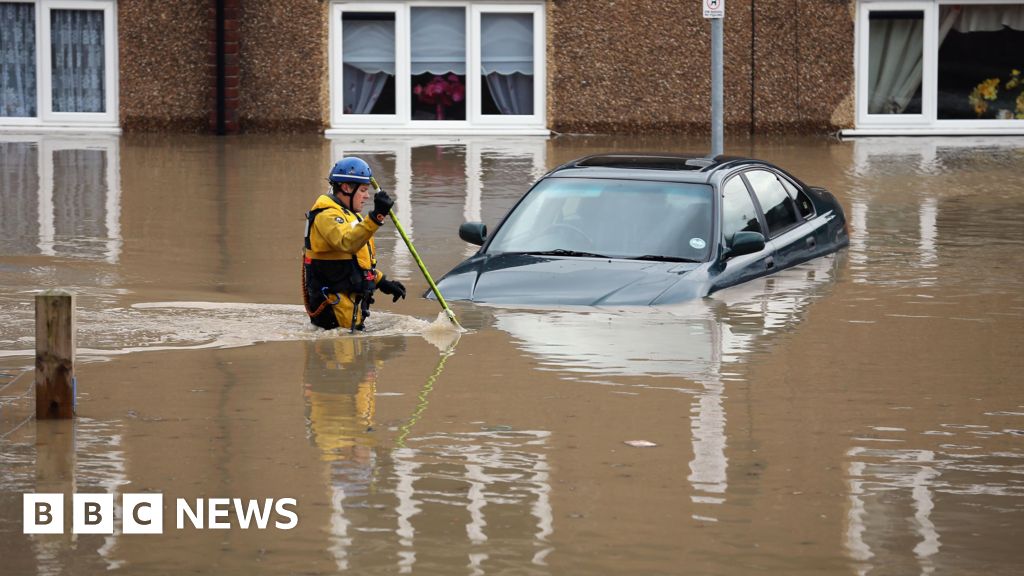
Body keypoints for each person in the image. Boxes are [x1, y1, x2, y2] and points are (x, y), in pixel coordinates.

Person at [303, 157, 406, 330]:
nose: (367, 196)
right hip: (334, 310)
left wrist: (381, 281)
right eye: (363, 190)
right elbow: (347, 243)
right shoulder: (326, 216)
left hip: (348, 312)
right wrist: (376, 217)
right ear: (346, 188)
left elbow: (355, 261)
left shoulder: (351, 215)